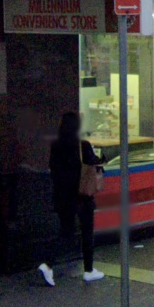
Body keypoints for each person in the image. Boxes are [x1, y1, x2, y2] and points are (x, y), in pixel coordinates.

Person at [39, 112, 105, 287]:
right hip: (81, 195)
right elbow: (95, 165)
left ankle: (48, 264)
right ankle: (89, 270)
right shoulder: (83, 146)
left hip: (62, 196)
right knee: (87, 231)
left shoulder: (56, 145)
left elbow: (53, 168)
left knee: (65, 231)